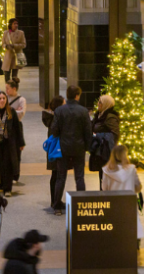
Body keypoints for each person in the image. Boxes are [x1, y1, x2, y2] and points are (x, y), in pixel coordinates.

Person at [49, 85, 92, 214]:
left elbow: (54, 130)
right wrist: (88, 147)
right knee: (79, 177)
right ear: (77, 96)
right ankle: (81, 204)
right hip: (79, 148)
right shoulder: (83, 111)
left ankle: (56, 206)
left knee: (61, 177)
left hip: (63, 148)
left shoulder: (59, 111)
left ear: (67, 95)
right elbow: (88, 132)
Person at [0, 91, 25, 197]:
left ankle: (8, 189)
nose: (2, 100)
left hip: (9, 142)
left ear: (6, 100)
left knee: (8, 165)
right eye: (0, 98)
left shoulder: (11, 111)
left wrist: (21, 143)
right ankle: (1, 185)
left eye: (4, 98)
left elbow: (17, 128)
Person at [101, 145, 144, 241]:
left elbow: (104, 188)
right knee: (132, 221)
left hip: (113, 202)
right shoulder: (131, 169)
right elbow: (138, 185)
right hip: (129, 202)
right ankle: (135, 241)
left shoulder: (106, 170)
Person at [90, 94, 119, 189]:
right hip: (100, 150)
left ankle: (107, 195)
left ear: (106, 104)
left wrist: (97, 135)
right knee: (102, 173)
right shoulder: (99, 114)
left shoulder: (110, 117)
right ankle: (102, 193)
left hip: (106, 151)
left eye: (100, 102)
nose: (98, 104)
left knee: (106, 174)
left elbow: (115, 135)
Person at [42, 95, 64, 211]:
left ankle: (55, 200)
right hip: (57, 150)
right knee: (57, 176)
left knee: (56, 175)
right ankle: (55, 202)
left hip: (53, 150)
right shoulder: (56, 119)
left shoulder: (52, 118)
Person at [1, 19, 26, 83]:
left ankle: (14, 89)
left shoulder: (21, 33)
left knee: (14, 76)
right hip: (8, 56)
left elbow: (24, 45)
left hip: (16, 56)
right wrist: (6, 46)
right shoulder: (6, 33)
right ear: (10, 24)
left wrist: (14, 45)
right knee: (6, 74)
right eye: (14, 24)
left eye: (17, 24)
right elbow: (3, 43)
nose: (16, 25)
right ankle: (8, 88)